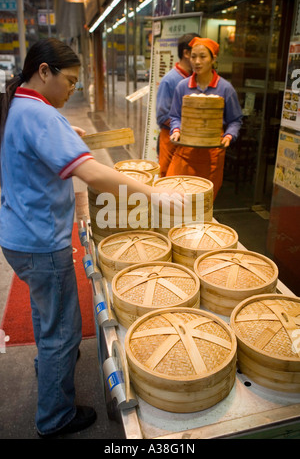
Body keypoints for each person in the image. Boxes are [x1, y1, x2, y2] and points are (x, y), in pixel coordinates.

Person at [0, 38, 181, 438]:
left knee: (49, 318)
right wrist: (153, 195)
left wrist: (66, 130)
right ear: (44, 71)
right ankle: (55, 417)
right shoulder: (41, 117)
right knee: (62, 332)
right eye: (70, 81)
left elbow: (40, 143)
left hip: (18, 234)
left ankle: (47, 366)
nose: (72, 90)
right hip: (41, 242)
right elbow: (94, 174)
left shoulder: (24, 106)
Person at [169, 37, 243, 199]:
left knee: (202, 201)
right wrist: (175, 130)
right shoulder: (183, 87)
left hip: (212, 152)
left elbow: (235, 120)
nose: (197, 61)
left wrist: (229, 136)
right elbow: (175, 115)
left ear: (213, 59)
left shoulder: (225, 88)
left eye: (202, 57)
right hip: (186, 152)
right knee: (175, 196)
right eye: (193, 56)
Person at [156, 33, 200, 177]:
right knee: (168, 179)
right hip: (171, 141)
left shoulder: (198, 79)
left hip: (191, 143)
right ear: (186, 53)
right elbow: (162, 116)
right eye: (196, 53)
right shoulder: (170, 80)